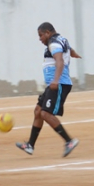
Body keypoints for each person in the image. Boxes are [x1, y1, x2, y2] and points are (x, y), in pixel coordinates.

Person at [15, 22, 81, 157]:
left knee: (46, 114)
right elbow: (69, 49)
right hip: (54, 83)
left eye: (41, 35)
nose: (40, 39)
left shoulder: (53, 43)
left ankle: (69, 141)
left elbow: (59, 61)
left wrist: (56, 80)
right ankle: (30, 145)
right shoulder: (61, 40)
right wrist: (74, 54)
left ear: (47, 32)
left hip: (59, 83)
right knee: (38, 111)